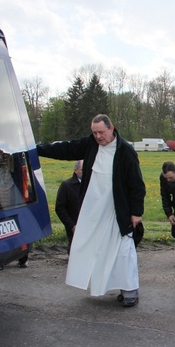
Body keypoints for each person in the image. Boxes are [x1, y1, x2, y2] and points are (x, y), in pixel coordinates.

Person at [36, 114, 146, 307]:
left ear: (111, 128)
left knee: (123, 251)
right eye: (94, 133)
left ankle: (130, 290)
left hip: (117, 210)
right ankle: (104, 285)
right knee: (96, 248)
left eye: (101, 132)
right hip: (94, 209)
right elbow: (65, 148)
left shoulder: (126, 152)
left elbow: (137, 184)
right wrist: (36, 150)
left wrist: (136, 212)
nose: (98, 136)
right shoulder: (90, 144)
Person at [55, 160, 83, 252]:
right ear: (76, 170)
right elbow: (59, 208)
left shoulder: (93, 184)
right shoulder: (66, 186)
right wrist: (72, 226)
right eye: (83, 169)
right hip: (74, 226)